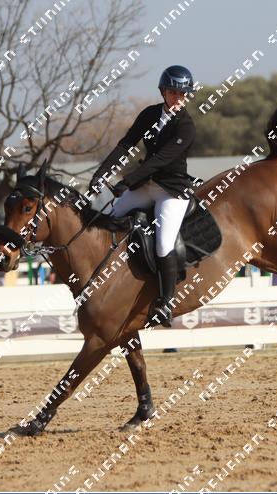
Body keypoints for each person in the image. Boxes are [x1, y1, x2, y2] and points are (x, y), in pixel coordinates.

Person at [88, 65, 197, 327]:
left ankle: (165, 302)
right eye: (173, 92)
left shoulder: (186, 126)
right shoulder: (149, 114)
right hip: (146, 186)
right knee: (109, 220)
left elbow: (159, 161)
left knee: (164, 243)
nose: (178, 98)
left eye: (183, 94)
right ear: (163, 92)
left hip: (171, 192)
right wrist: (100, 174)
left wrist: (126, 182)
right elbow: (126, 144)